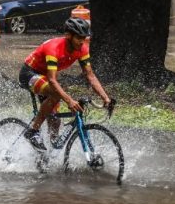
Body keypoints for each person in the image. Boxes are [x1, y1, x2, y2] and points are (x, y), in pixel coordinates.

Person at [19, 17, 112, 151]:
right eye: (78, 38)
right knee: (56, 94)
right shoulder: (54, 48)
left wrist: (105, 97)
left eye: (84, 38)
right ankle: (33, 131)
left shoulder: (82, 49)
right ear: (68, 36)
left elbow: (90, 75)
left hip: (46, 77)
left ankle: (47, 154)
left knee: (55, 120)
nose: (82, 41)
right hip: (29, 73)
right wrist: (69, 101)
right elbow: (52, 80)